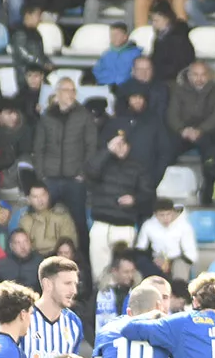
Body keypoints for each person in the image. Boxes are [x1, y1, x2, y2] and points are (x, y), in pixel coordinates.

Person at [31, 78, 98, 261]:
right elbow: (38, 147)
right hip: (50, 178)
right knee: (42, 220)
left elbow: (91, 146)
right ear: (57, 93)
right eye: (64, 90)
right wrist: (41, 174)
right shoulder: (47, 116)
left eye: (71, 90)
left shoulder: (84, 115)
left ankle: (82, 263)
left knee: (79, 224)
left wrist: (83, 173)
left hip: (74, 179)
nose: (68, 94)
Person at [86, 132, 154, 278]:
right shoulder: (101, 162)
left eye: (123, 144)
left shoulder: (138, 166)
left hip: (125, 225)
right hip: (101, 224)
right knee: (99, 274)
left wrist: (134, 199)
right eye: (116, 145)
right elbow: (90, 172)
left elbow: (148, 195)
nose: (120, 148)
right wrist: (107, 152)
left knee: (125, 272)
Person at [167, 61, 215, 202]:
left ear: (209, 76)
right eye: (195, 75)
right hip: (183, 131)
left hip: (208, 131)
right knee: (165, 148)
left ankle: (208, 190)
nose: (199, 79)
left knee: (211, 154)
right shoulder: (177, 90)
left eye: (203, 75)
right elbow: (172, 114)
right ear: (188, 75)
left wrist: (201, 130)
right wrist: (182, 130)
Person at [136, 197, 197, 280]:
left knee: (179, 267)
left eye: (168, 214)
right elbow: (141, 249)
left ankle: (178, 291)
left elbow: (190, 254)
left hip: (178, 259)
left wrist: (169, 263)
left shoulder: (184, 226)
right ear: (156, 215)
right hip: (156, 259)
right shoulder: (148, 225)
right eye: (162, 215)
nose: (166, 218)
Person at [18, 180, 77, 257]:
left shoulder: (62, 217)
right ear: (29, 199)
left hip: (58, 258)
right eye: (35, 197)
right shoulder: (25, 220)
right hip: (33, 260)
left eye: (43, 195)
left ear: (48, 195)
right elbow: (22, 247)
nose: (40, 200)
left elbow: (70, 244)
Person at [149, 1, 196, 83]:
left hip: (173, 81)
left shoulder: (178, 38)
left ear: (167, 19)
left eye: (156, 21)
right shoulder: (160, 37)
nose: (153, 24)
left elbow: (179, 65)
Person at [96, 251, 139, 330]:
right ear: (115, 271)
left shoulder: (139, 291)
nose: (130, 275)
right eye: (126, 272)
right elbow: (89, 320)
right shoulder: (101, 292)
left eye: (132, 271)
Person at [90, 24, 142, 89]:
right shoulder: (106, 54)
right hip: (106, 87)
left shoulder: (136, 54)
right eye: (111, 35)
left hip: (127, 89)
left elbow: (136, 73)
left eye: (117, 35)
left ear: (125, 36)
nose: (113, 37)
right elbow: (97, 72)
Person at [10, 5, 55, 78]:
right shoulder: (19, 32)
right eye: (37, 15)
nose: (39, 19)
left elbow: (41, 53)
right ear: (28, 15)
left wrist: (48, 62)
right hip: (25, 74)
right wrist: (39, 63)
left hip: (38, 73)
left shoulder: (37, 34)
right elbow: (22, 53)